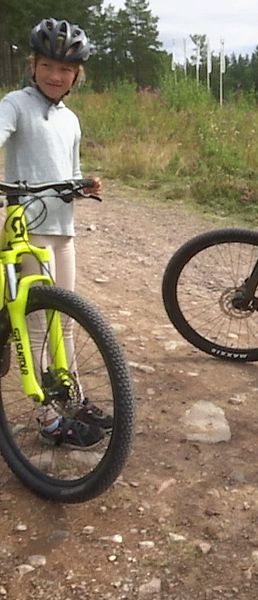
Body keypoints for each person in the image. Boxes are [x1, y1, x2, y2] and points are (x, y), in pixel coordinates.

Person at [0, 18, 111, 449]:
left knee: (64, 319)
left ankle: (73, 397)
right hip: (27, 227)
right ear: (33, 65)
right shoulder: (15, 104)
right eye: (47, 65)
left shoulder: (72, 120)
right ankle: (47, 414)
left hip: (63, 231)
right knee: (35, 325)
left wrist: (83, 185)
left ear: (76, 75)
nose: (55, 75)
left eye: (65, 70)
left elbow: (72, 172)